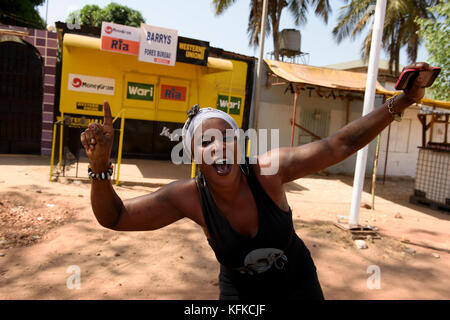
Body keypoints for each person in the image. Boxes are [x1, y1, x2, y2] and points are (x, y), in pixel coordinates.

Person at [80, 63, 432, 299]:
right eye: (205, 143)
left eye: (226, 137)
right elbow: (116, 217)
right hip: (240, 294)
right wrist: (99, 170)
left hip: (298, 281)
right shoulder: (187, 198)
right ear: (195, 159)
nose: (218, 146)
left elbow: (340, 144)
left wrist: (403, 100)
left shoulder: (268, 171)